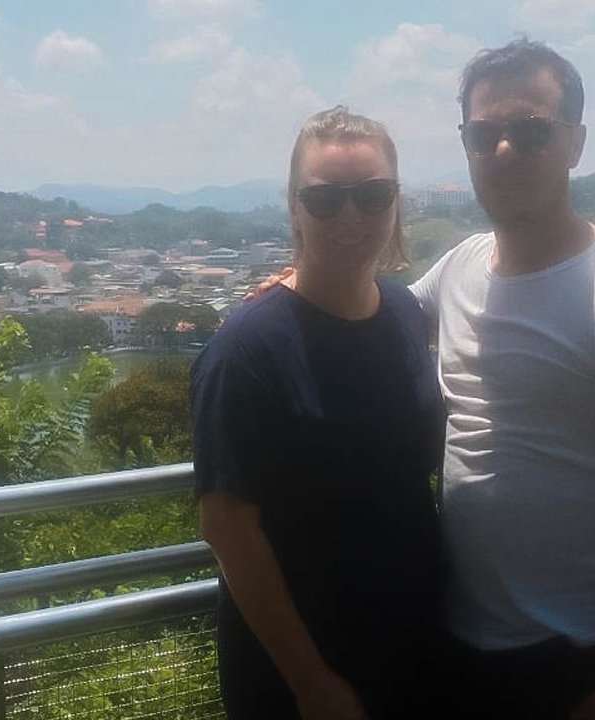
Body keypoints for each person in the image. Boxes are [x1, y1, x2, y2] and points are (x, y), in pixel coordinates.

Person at [254, 40, 595, 719]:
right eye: (483, 134)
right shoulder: (463, 267)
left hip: (580, 654)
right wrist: (298, 290)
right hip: (458, 643)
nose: (504, 150)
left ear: (575, 143)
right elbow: (374, 311)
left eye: (531, 131)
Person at [191, 106, 447, 719]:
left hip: (416, 645)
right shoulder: (246, 351)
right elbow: (228, 530)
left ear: (396, 201)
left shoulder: (405, 313)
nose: (351, 216)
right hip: (302, 672)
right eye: (326, 200)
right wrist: (311, 682)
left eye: (373, 195)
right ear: (294, 207)